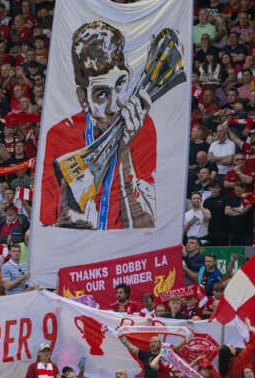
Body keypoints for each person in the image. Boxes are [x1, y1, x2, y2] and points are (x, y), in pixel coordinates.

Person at [40, 20, 159, 230]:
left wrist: (124, 152)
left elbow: (146, 226)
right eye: (102, 94)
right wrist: (67, 223)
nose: (116, 105)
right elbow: (47, 223)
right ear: (82, 98)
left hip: (123, 253)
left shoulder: (142, 125)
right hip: (83, 254)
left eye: (120, 84)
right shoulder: (60, 134)